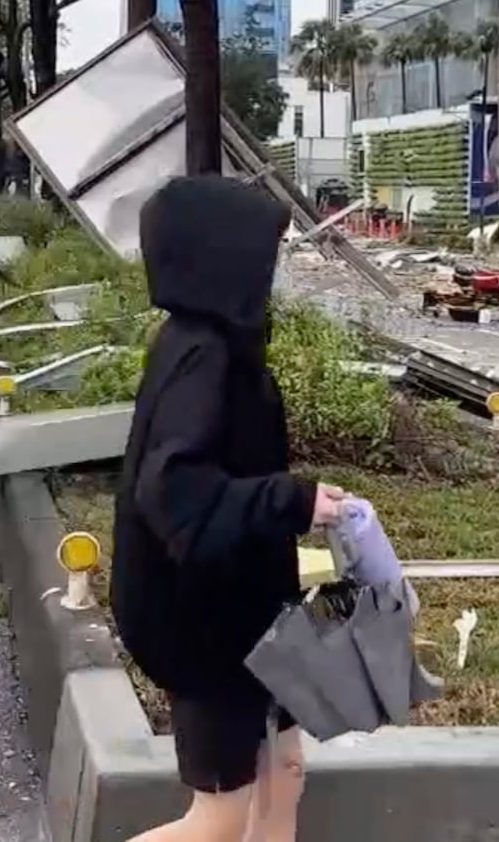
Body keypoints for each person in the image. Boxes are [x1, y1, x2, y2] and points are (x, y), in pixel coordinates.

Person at [112, 175, 345, 842]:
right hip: (205, 618)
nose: (272, 270)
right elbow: (174, 488)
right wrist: (294, 499)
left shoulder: (214, 343)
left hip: (253, 606)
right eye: (264, 255)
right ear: (224, 258)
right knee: (219, 818)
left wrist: (300, 516)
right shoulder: (202, 355)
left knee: (285, 769)